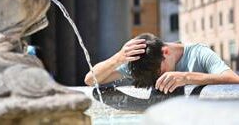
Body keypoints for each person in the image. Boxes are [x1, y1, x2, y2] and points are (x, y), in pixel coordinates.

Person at [84, 33, 239, 94]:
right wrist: (118, 58)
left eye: (159, 72)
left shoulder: (199, 53)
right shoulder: (144, 64)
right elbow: (90, 80)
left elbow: (234, 80)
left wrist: (187, 78)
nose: (158, 79)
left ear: (165, 52)